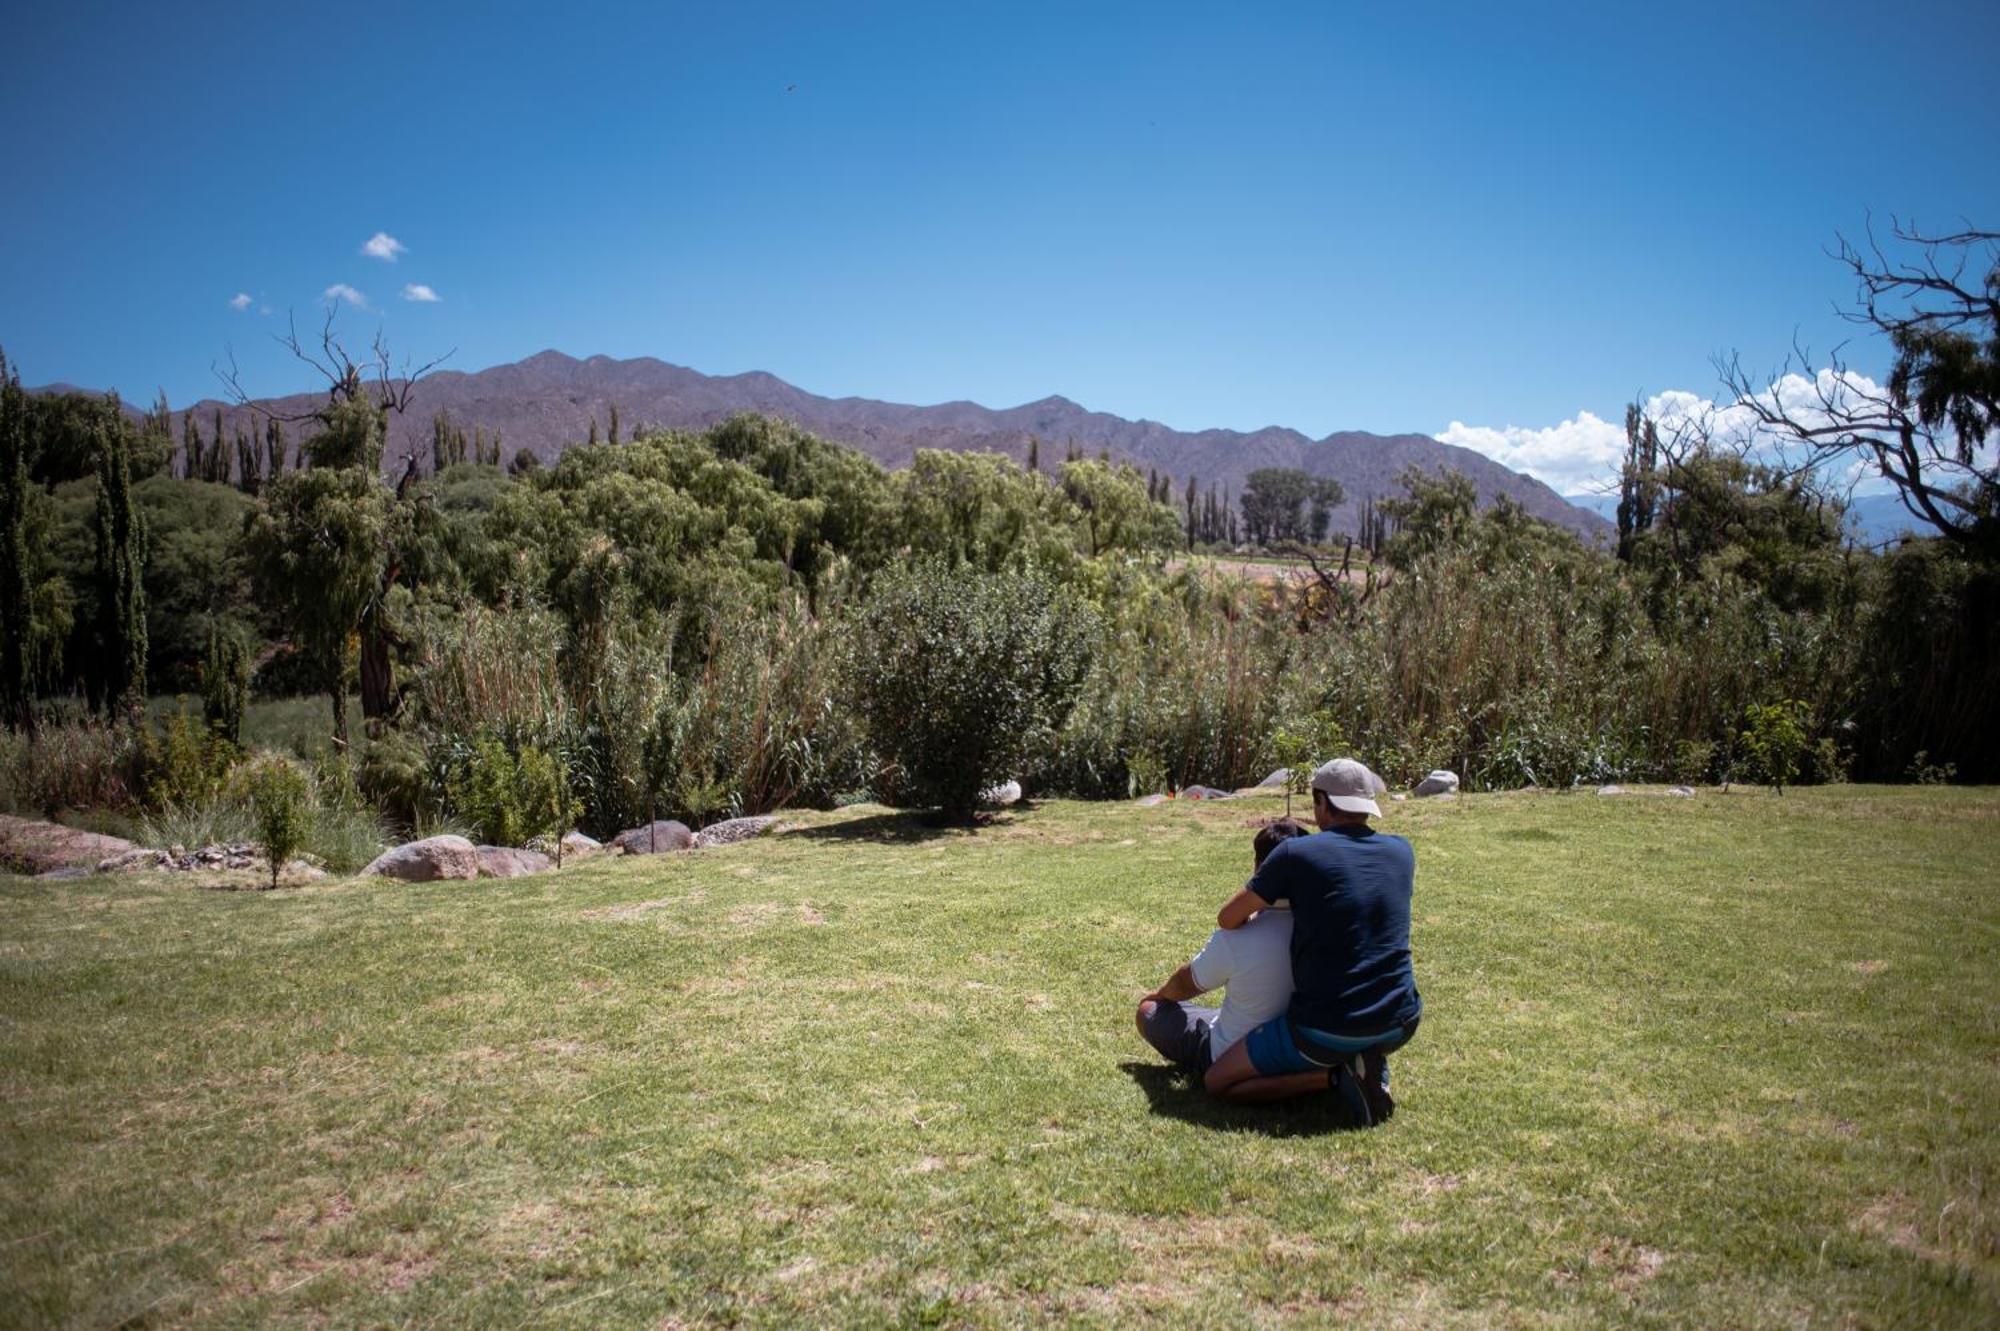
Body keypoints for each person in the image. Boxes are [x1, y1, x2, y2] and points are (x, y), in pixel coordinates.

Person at [1203, 758, 1420, 1124]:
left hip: (1325, 1027)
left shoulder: (1295, 854)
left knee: (1217, 1081)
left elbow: (1228, 917)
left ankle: (1332, 1076)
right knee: (1362, 1028)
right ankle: (1364, 1057)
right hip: (1400, 1020)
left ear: (1321, 801)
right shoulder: (1402, 851)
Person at [1134, 819, 1312, 1074]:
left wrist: (1160, 996)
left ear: (1259, 867)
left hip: (1232, 1054)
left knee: (1149, 1011)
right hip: (1299, 1050)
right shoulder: (1322, 925)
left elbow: (1186, 984)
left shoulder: (1237, 937)